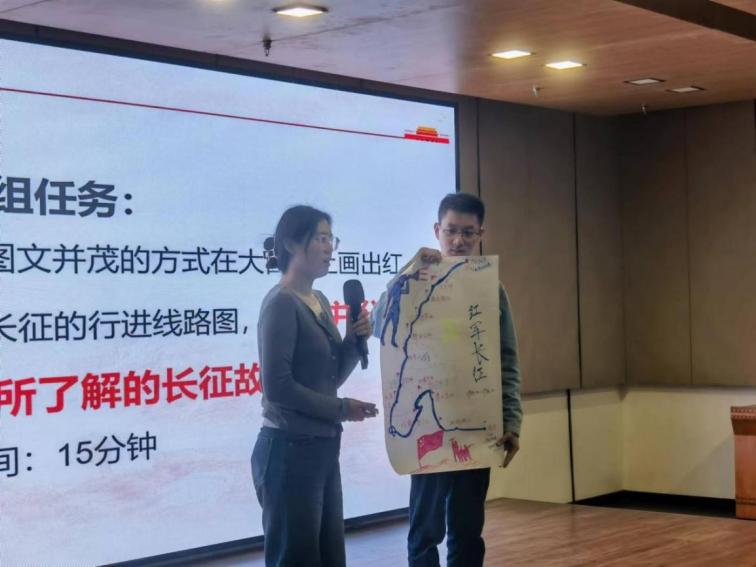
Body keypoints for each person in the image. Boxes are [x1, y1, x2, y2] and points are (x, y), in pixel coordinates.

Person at [371, 193, 523, 567]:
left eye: (468, 233)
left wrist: (511, 420)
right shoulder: (415, 280)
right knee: (425, 533)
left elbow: (507, 359)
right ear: (437, 230)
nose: (458, 241)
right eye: (451, 231)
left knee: (468, 531)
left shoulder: (491, 289)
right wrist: (408, 272)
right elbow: (378, 324)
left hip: (477, 425)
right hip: (426, 428)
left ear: (481, 234)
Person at [251, 205, 379, 567]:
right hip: (289, 450)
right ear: (292, 244)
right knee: (297, 559)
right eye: (320, 239)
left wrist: (354, 341)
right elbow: (278, 388)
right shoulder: (281, 303)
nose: (328, 248)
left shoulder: (319, 300)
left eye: (331, 239)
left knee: (329, 557)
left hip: (321, 446)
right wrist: (342, 409)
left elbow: (330, 376)